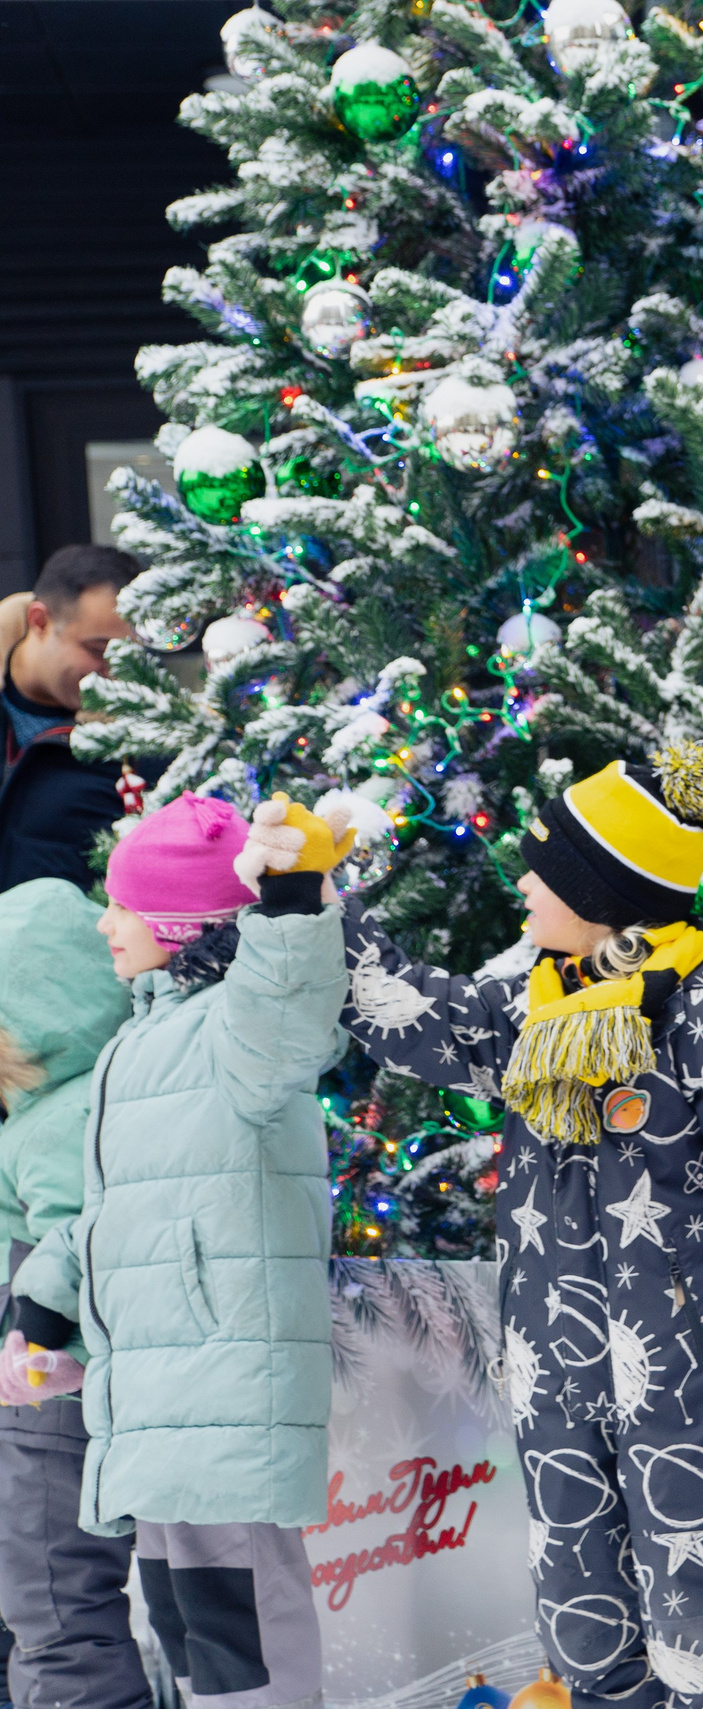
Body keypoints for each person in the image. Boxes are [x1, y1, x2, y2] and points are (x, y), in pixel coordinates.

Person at [336, 741, 703, 1709]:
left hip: (685, 1377)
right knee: (586, 1619)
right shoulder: (528, 1009)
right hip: (554, 1371)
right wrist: (317, 899)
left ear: (608, 891)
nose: (526, 889)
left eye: (547, 872)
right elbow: (409, 1010)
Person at [2, 793, 351, 1709]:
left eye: (121, 905)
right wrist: (44, 1302)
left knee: (245, 1644)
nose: (104, 925)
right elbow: (113, 1213)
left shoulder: (239, 1036)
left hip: (224, 1397)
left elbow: (292, 1004)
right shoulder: (136, 1044)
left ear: (178, 921)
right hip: (157, 1409)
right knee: (185, 1632)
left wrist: (290, 903)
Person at [0, 878, 153, 1709]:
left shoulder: (67, 1120)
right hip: (43, 1398)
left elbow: (79, 1258)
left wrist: (51, 1360)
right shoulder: (54, 1105)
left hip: (52, 1404)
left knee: (56, 1605)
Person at [0, 547, 145, 892]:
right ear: (39, 620)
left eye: (127, 655)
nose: (112, 672)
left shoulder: (139, 739)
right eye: (97, 650)